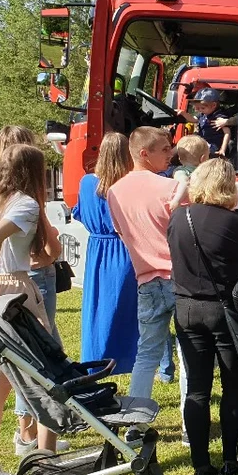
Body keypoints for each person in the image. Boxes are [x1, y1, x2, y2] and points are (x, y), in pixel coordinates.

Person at [168, 159, 238, 475]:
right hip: (226, 310)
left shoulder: (178, 217)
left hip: (186, 307)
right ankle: (231, 458)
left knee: (196, 388)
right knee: (233, 386)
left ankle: (201, 464)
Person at [0, 145, 64, 475]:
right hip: (16, 291)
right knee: (49, 375)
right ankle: (46, 458)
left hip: (2, 291)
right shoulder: (26, 204)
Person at [107, 127, 185, 402]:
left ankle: (136, 420)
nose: (171, 153)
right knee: (188, 353)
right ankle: (191, 424)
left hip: (147, 281)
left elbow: (121, 233)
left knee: (148, 352)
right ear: (144, 153)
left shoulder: (114, 193)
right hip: (180, 279)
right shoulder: (171, 187)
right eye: (164, 149)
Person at [72, 132, 139, 377]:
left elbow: (78, 212)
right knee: (126, 309)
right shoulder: (127, 184)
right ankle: (125, 359)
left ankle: (95, 359)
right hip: (124, 249)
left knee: (97, 307)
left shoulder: (87, 182)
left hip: (97, 250)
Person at [178, 87, 235, 158]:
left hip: (214, 146)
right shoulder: (203, 114)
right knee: (184, 144)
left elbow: (227, 133)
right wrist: (183, 113)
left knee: (189, 148)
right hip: (204, 142)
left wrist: (222, 149)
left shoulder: (219, 117)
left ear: (214, 105)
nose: (200, 110)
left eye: (202, 108)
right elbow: (193, 119)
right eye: (198, 108)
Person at [169, 135, 210, 210]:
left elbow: (184, 183)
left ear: (180, 159)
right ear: (203, 159)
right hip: (204, 205)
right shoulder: (207, 171)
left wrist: (177, 200)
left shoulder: (180, 171)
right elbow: (185, 183)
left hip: (189, 207)